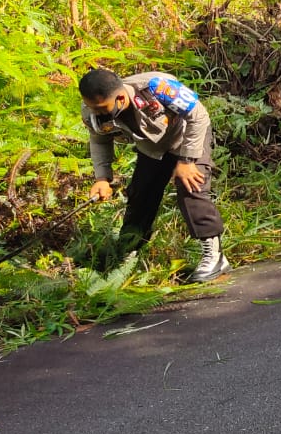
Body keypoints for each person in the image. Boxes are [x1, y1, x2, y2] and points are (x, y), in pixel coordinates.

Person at [78, 67, 231, 282]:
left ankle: (214, 255)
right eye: (92, 107)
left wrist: (187, 161)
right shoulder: (92, 111)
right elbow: (99, 139)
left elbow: (199, 117)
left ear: (121, 97)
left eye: (102, 108)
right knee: (141, 194)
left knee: (190, 187)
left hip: (187, 136)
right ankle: (128, 253)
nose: (97, 113)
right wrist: (102, 178)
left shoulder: (157, 87)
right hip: (152, 147)